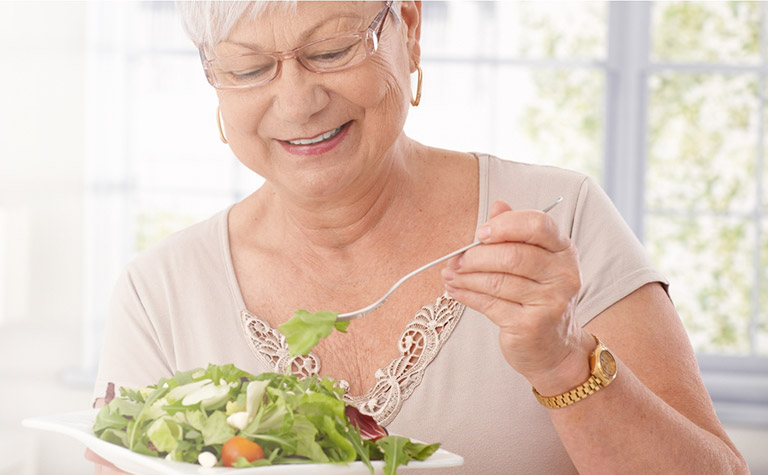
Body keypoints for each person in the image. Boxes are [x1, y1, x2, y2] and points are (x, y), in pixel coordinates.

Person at [91, 1, 748, 473]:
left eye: (330, 50)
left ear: (408, 25)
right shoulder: (159, 292)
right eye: (247, 67)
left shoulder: (560, 219)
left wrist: (561, 363)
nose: (296, 103)